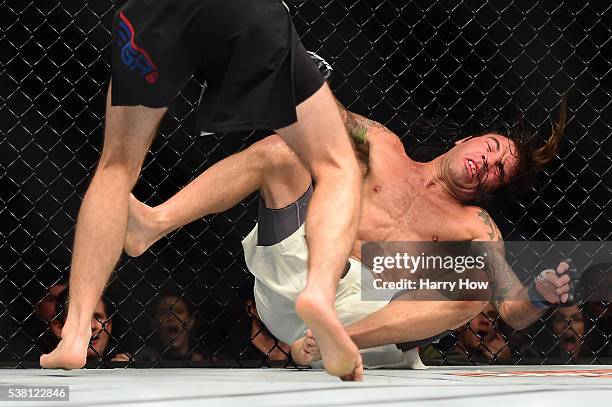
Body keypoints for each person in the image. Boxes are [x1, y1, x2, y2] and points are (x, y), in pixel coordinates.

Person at [123, 94, 572, 367]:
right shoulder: (382, 145)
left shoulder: (474, 225)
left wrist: (538, 294)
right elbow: (327, 113)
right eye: (491, 148)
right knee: (283, 151)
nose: (487, 163)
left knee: (472, 284)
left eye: (498, 170)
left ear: (491, 189)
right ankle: (152, 224)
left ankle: (325, 345)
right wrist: (300, 71)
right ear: (466, 140)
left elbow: (510, 308)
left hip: (367, 321)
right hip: (302, 278)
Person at [41, 0, 364, 380]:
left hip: (153, 13)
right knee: (337, 165)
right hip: (246, 12)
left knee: (115, 167)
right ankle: (320, 292)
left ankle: (75, 334)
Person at [51, 287, 129, 362]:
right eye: (81, 318)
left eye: (98, 318)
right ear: (59, 328)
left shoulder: (122, 367)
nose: (92, 326)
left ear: (109, 326)